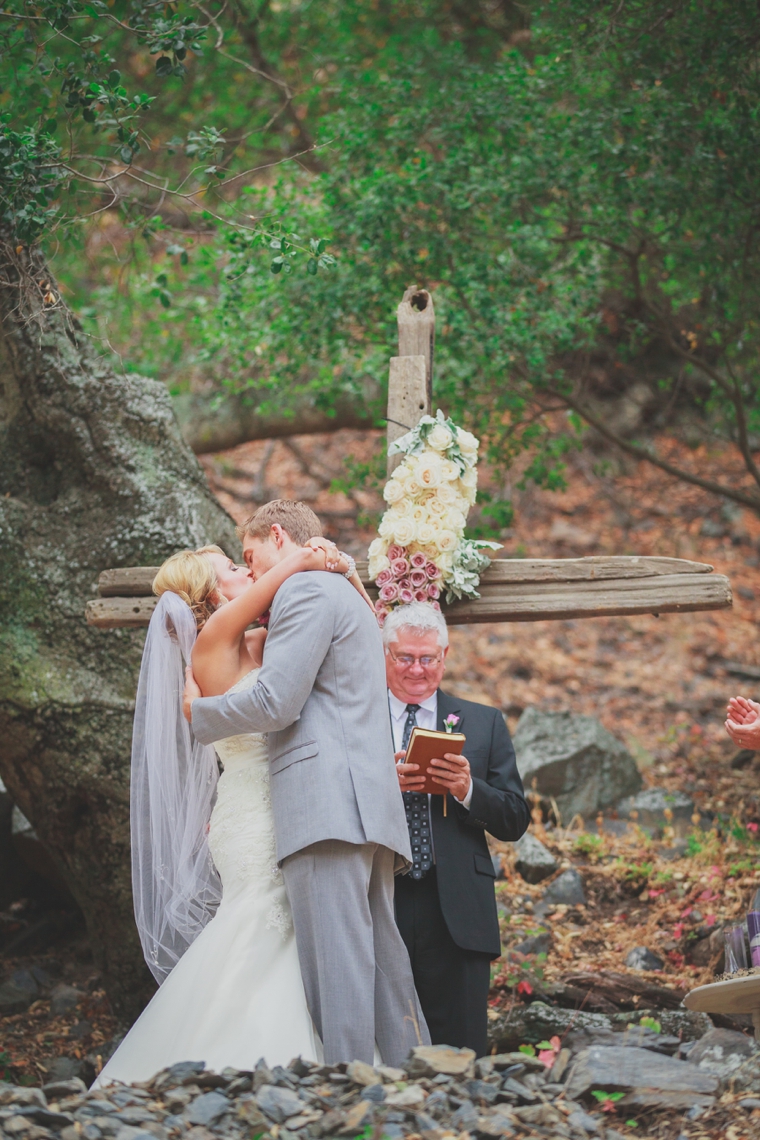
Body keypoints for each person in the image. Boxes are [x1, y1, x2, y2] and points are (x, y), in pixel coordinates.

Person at [97, 535, 359, 1085]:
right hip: (253, 813)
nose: (246, 571)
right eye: (234, 568)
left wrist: (350, 576)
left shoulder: (258, 643)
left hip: (279, 801)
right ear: (213, 592)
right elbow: (276, 582)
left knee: (281, 928)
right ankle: (261, 1067)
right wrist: (306, 555)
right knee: (263, 924)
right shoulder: (213, 640)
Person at [184, 500, 429, 1067]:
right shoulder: (342, 591)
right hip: (364, 804)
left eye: (250, 556)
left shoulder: (304, 592)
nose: (252, 572)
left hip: (325, 804)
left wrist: (201, 716)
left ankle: (349, 1095)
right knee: (383, 963)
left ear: (276, 536)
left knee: (337, 967)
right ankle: (414, 1087)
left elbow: (276, 699)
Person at [386, 601, 529, 1058]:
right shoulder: (356, 717)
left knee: (461, 1050)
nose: (416, 669)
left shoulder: (483, 722)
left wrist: (469, 789)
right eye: (405, 657)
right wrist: (378, 784)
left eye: (427, 658)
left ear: (444, 656)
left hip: (458, 907)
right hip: (378, 895)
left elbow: (514, 819)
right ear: (385, 655)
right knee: (385, 1042)